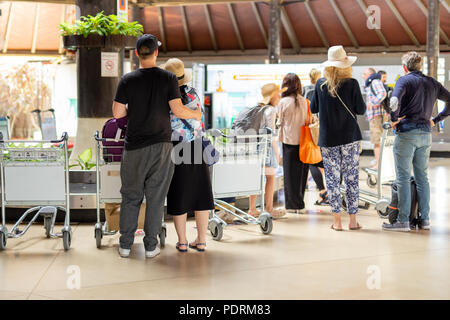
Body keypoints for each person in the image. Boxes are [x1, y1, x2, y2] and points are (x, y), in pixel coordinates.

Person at [112, 34, 201, 259]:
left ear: (136, 54)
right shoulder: (168, 78)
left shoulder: (127, 80)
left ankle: (125, 245)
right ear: (156, 53)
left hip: (133, 147)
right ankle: (151, 247)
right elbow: (179, 110)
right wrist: (196, 114)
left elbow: (117, 113)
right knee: (156, 198)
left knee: (131, 196)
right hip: (161, 147)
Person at [382, 51, 450, 232]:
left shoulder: (403, 81)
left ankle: (403, 220)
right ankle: (425, 219)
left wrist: (394, 118)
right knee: (422, 178)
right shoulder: (432, 82)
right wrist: (436, 120)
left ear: (405, 67)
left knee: (403, 178)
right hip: (425, 134)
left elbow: (394, 101)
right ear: (420, 66)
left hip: (406, 133)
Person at [310, 45, 366, 231]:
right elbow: (361, 109)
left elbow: (314, 109)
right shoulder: (352, 83)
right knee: (351, 178)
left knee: (332, 180)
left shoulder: (320, 84)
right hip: (350, 137)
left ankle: (337, 222)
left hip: (328, 139)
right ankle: (352, 221)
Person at [162, 58, 215, 252]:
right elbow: (199, 117)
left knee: (178, 192)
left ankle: (182, 241)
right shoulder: (193, 93)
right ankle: (201, 240)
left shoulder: (165, 96)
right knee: (201, 193)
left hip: (176, 147)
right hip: (197, 146)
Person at [247, 83, 284, 218]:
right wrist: (277, 153)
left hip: (255, 146)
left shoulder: (257, 109)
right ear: (272, 96)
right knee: (270, 178)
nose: (280, 96)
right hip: (266, 147)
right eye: (278, 94)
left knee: (257, 178)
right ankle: (269, 208)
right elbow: (271, 135)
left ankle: (252, 208)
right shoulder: (271, 110)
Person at [277, 73, 309, 214]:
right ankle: (300, 204)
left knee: (289, 175)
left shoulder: (283, 102)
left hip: (289, 141)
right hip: (304, 141)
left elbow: (279, 123)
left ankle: (291, 205)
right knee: (302, 174)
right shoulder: (304, 101)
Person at [303, 68, 328, 205]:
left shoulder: (306, 90)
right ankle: (328, 190)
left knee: (312, 160)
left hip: (311, 129)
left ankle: (322, 189)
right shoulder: (324, 88)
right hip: (323, 127)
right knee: (325, 160)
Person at [362, 67, 387, 169]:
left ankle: (378, 165)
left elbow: (382, 93)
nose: (363, 76)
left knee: (377, 142)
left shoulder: (375, 82)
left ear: (369, 75)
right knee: (377, 142)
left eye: (364, 74)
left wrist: (372, 103)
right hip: (375, 117)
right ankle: (379, 163)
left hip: (377, 117)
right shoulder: (372, 83)